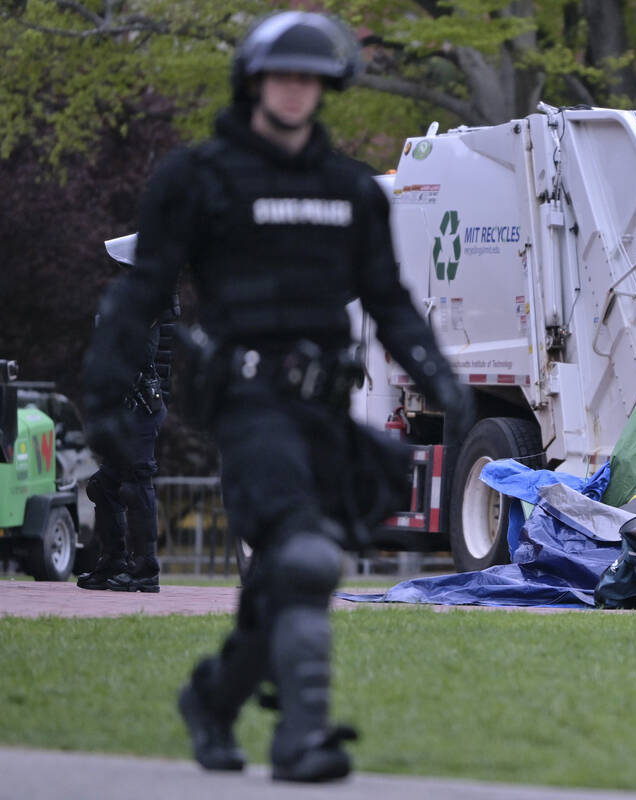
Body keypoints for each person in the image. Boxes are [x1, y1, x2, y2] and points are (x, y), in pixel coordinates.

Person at [82, 11, 472, 783]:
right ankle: (301, 738)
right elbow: (139, 297)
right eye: (281, 77)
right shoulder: (198, 178)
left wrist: (441, 379)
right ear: (254, 82)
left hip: (325, 407)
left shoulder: (352, 189)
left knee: (284, 574)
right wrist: (104, 407)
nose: (295, 92)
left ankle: (213, 701)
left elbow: (388, 299)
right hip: (247, 399)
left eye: (309, 79)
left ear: (325, 89)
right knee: (304, 556)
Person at [76, 303, 176, 592]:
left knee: (136, 481)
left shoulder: (158, 299)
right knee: (103, 486)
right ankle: (113, 563)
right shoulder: (137, 295)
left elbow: (142, 355)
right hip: (128, 404)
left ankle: (146, 570)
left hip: (145, 404)